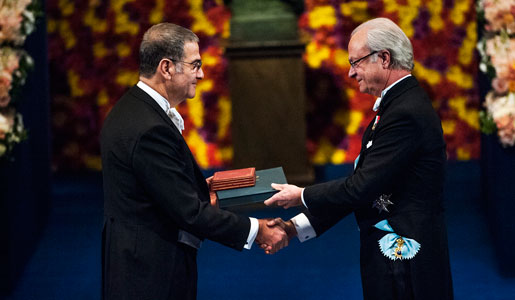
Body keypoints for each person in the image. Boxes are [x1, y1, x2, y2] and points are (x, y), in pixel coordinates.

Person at [264, 18, 453, 300]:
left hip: (405, 262)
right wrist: (295, 228)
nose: (351, 73)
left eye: (357, 62)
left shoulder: (405, 112)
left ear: (385, 58)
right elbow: (363, 189)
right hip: (393, 259)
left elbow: (360, 187)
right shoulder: (396, 106)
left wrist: (302, 195)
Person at [100, 23, 288, 300]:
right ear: (166, 68)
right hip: (150, 272)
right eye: (195, 65)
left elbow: (158, 185)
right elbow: (188, 212)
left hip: (137, 259)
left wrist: (198, 186)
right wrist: (257, 229)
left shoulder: (134, 107)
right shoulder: (149, 127)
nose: (201, 74)